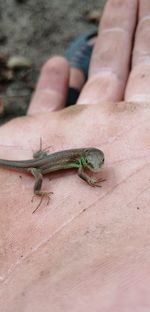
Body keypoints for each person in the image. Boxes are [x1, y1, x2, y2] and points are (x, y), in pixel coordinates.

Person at [0, 0, 150, 310]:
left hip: (43, 160)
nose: (94, 168)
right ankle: (39, 191)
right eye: (93, 165)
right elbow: (81, 173)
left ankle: (75, 75)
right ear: (86, 159)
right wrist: (86, 182)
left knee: (65, 92)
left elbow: (86, 164)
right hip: (37, 168)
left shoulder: (85, 157)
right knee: (38, 178)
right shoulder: (78, 166)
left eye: (97, 164)